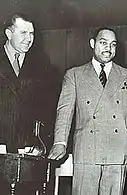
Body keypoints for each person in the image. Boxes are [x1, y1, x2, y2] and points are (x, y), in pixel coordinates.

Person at [48, 27, 127, 195]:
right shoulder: (74, 75)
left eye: (113, 44)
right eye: (103, 43)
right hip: (87, 149)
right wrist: (60, 142)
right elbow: (64, 111)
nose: (108, 48)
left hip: (117, 149)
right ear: (92, 44)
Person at [0, 13, 61, 194]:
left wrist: (39, 141)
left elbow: (48, 107)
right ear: (9, 34)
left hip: (27, 149)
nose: (29, 39)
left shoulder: (41, 63)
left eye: (32, 33)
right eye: (24, 33)